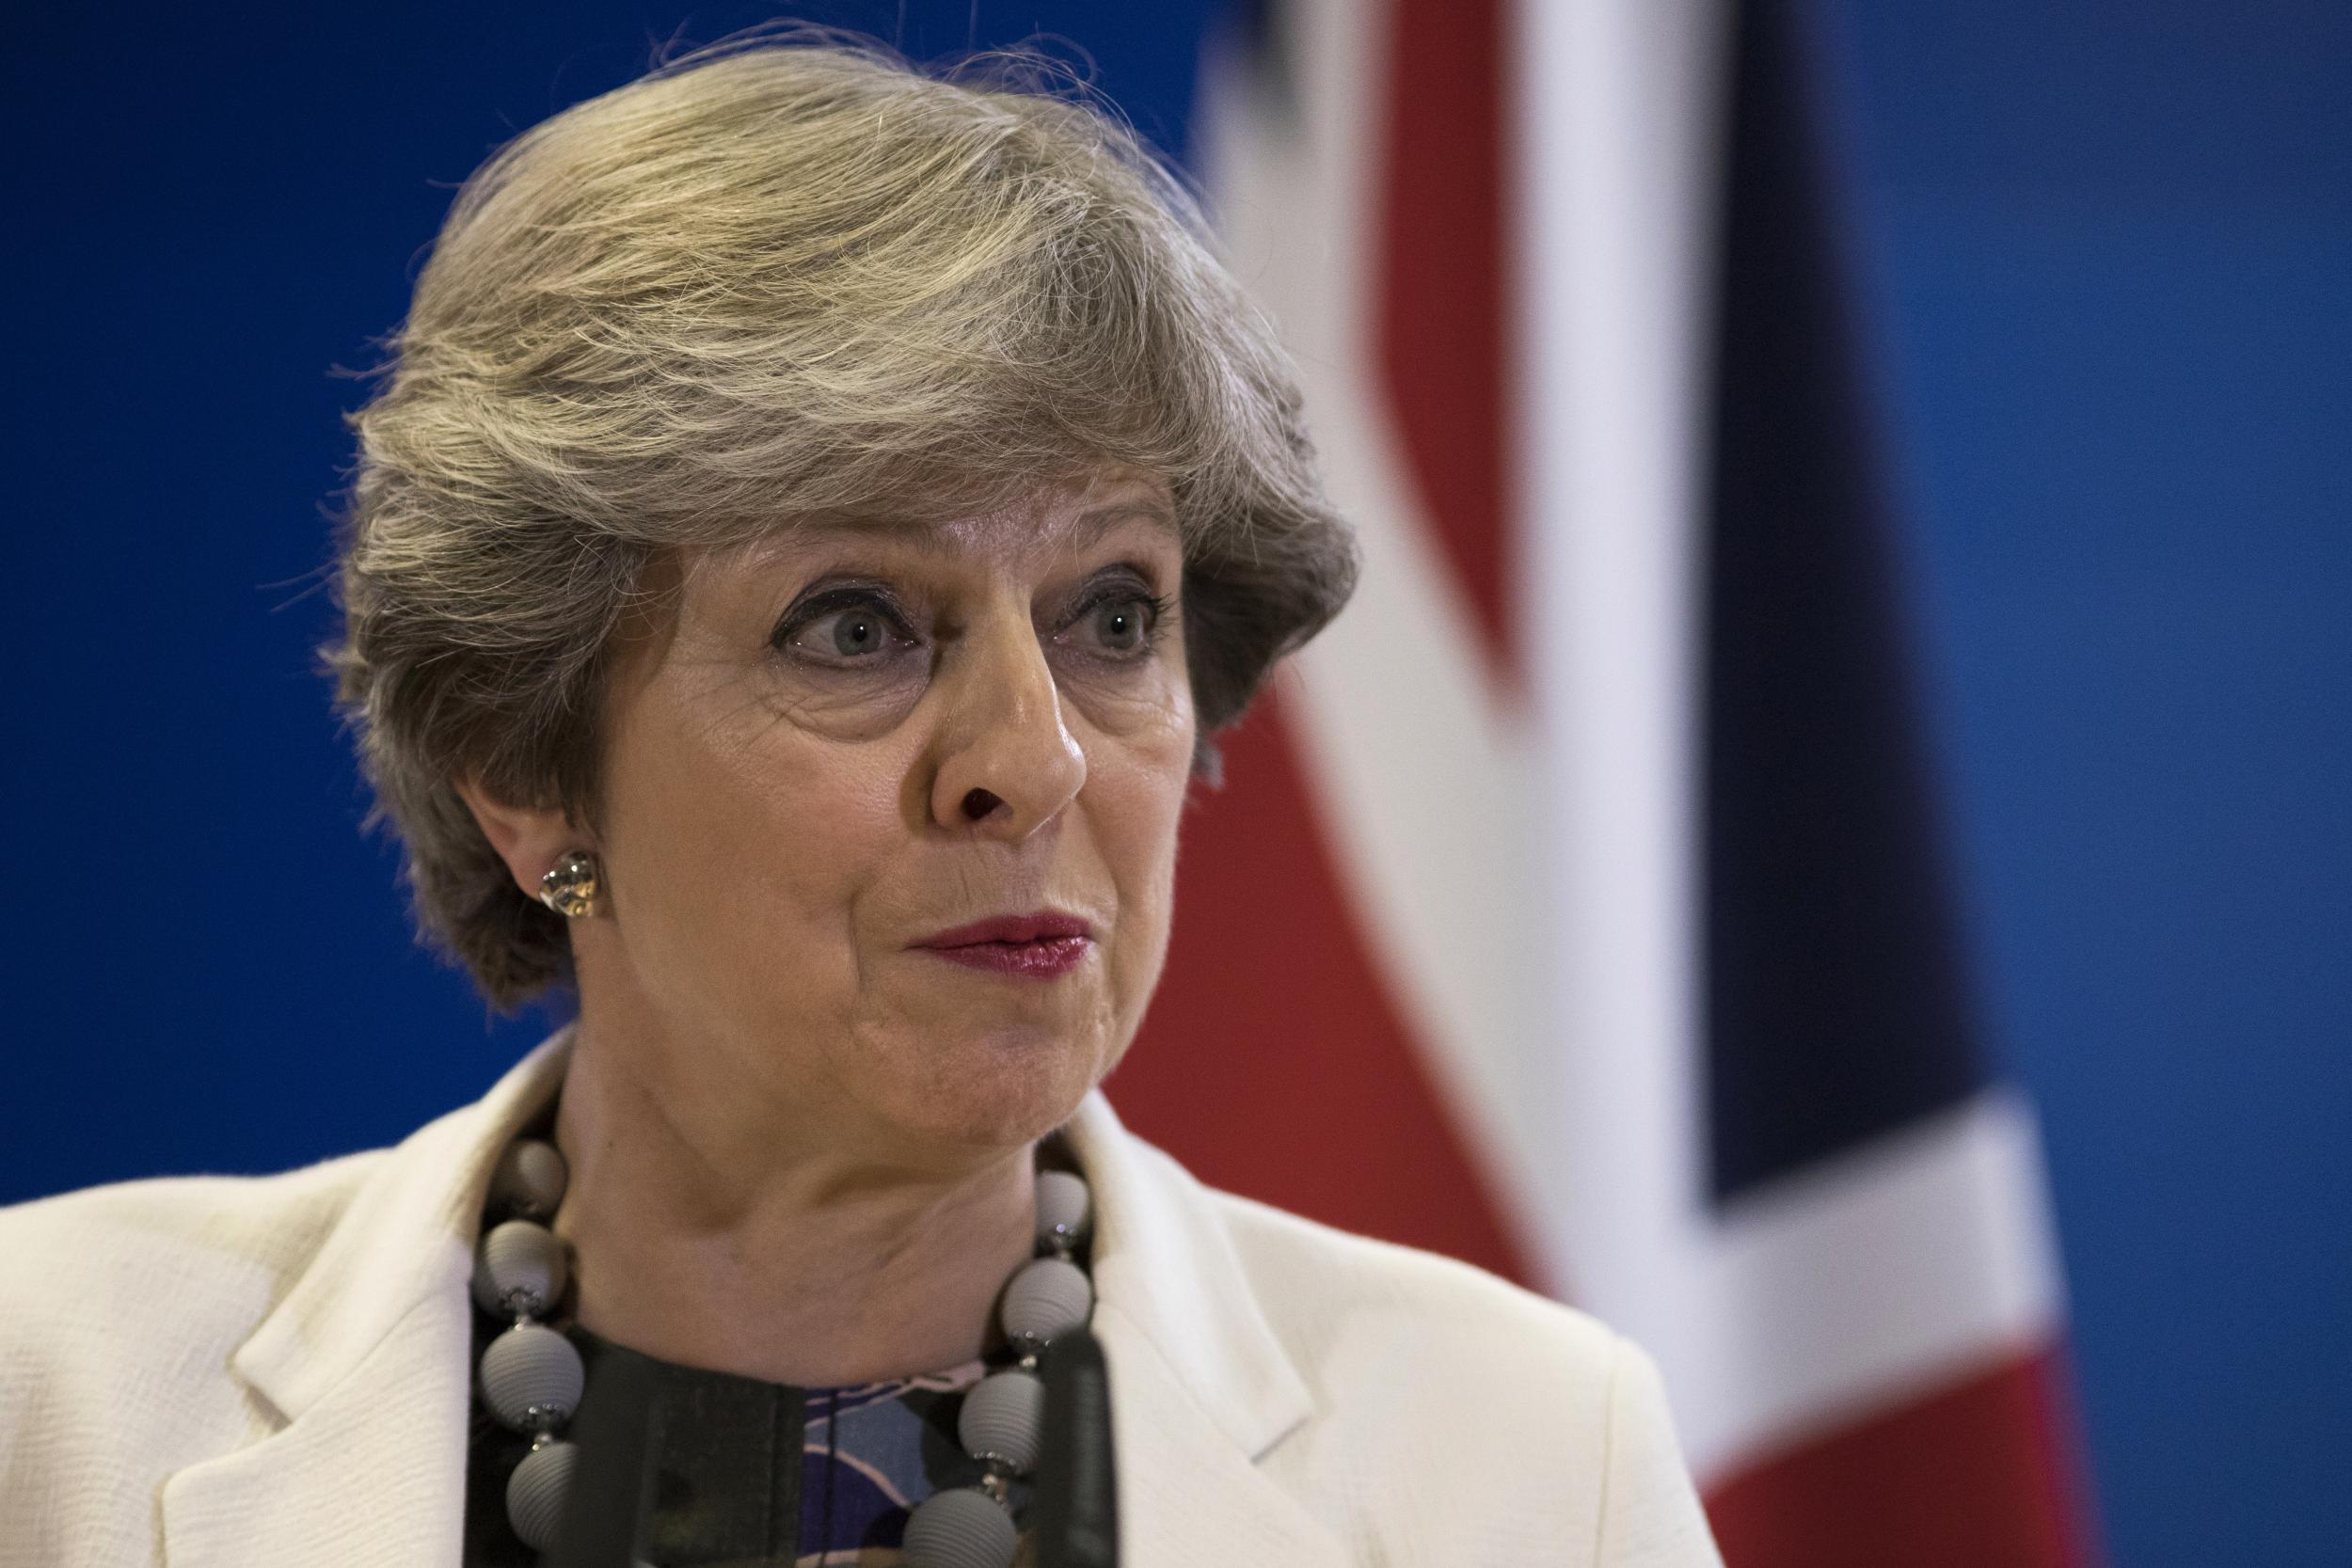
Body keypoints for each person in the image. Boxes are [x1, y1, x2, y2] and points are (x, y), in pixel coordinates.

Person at [0, 31, 1724, 1568]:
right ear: (527, 771)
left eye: (1112, 615)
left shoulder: (1523, 1470)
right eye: (856, 625)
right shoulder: (49, 1401)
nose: (1033, 759)